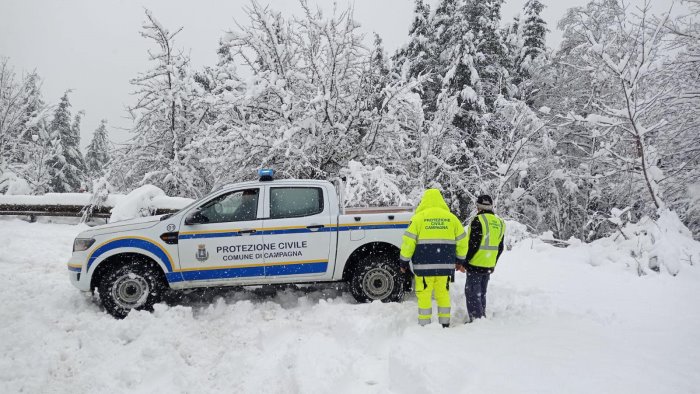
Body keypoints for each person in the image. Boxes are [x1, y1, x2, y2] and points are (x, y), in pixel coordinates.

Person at [399, 189, 469, 327]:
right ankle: (444, 323)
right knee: (443, 294)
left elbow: (408, 243)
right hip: (444, 267)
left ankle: (425, 324)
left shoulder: (417, 219)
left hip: (423, 268)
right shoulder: (452, 219)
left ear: (424, 201)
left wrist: (404, 262)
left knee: (424, 295)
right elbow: (462, 241)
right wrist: (460, 260)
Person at [455, 194, 505, 322]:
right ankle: (481, 317)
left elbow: (473, 245)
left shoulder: (478, 221)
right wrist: (493, 263)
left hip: (475, 264)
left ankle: (477, 321)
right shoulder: (500, 223)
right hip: (488, 264)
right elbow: (500, 247)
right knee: (481, 293)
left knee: (472, 294)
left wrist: (464, 262)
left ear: (478, 207)